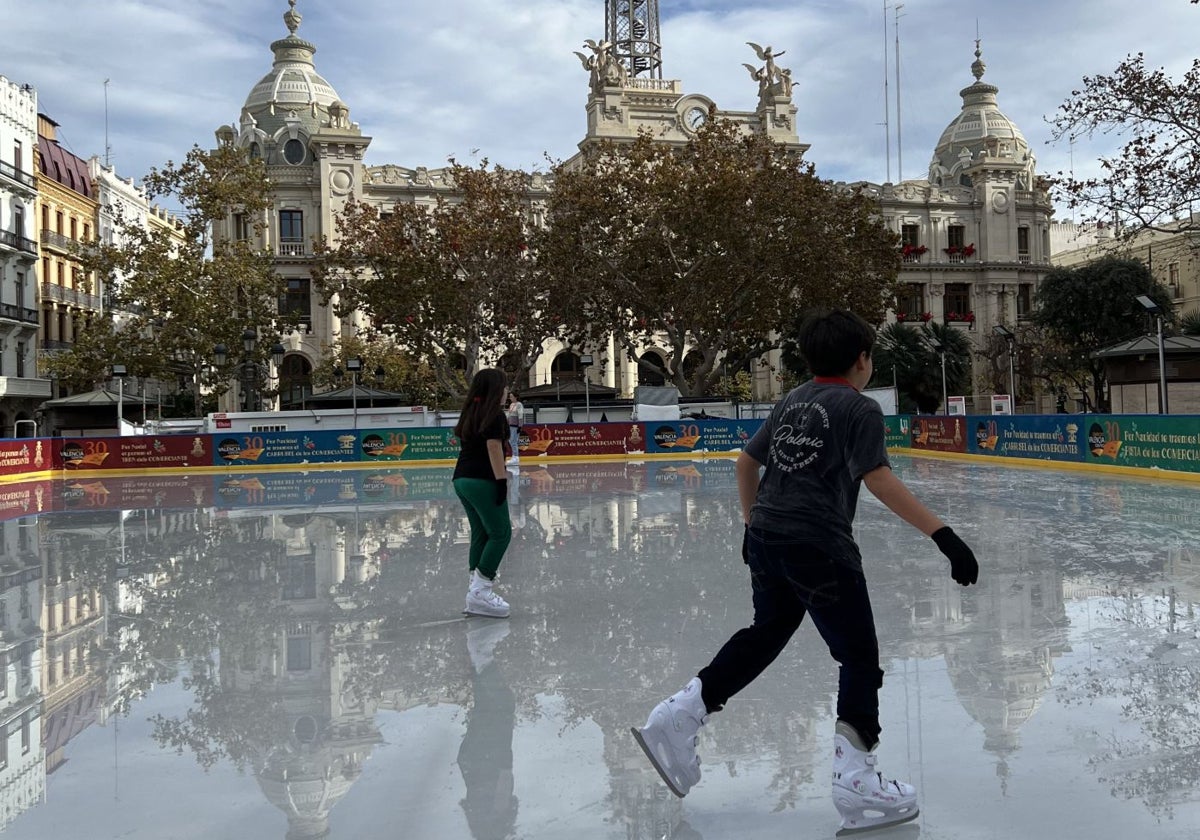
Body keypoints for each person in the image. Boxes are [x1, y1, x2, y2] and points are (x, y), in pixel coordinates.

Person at [631, 309, 979, 835]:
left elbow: (746, 463)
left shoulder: (792, 399)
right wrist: (943, 536)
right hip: (818, 543)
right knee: (858, 656)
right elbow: (879, 478)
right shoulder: (858, 408)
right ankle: (857, 779)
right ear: (862, 360)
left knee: (765, 633)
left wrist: (751, 526)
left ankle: (679, 715)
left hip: (769, 536)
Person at [453, 368, 513, 618]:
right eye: (505, 386)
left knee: (480, 532)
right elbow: (493, 447)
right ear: (495, 390)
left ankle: (474, 590)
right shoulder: (494, 415)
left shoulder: (470, 412)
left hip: (462, 479)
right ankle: (481, 590)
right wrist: (501, 481)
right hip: (482, 480)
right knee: (501, 533)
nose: (507, 391)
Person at [505, 391, 525, 465]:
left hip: (515, 426)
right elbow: (509, 415)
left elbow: (520, 415)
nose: (510, 398)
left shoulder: (519, 405)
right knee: (511, 440)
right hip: (510, 425)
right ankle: (514, 456)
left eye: (511, 396)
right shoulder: (511, 405)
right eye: (510, 396)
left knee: (513, 441)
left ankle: (516, 457)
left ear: (515, 397)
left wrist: (520, 426)